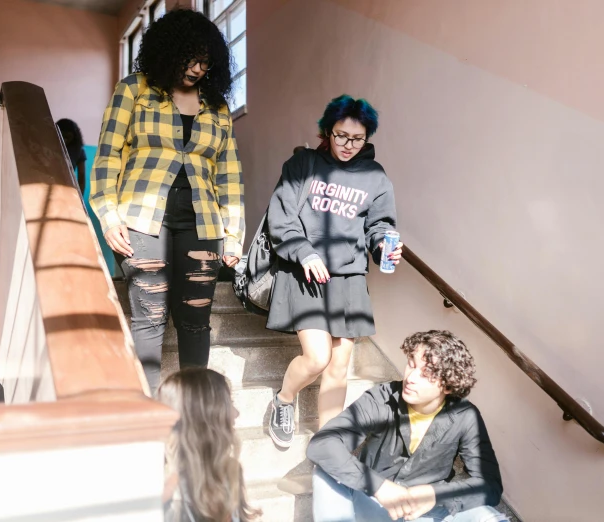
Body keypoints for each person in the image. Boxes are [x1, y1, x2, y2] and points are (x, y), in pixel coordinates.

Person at [90, 9, 244, 393]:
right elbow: (108, 154)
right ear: (169, 51)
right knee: (150, 318)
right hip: (143, 220)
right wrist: (108, 216)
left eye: (205, 61)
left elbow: (230, 175)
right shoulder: (135, 89)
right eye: (190, 58)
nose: (197, 68)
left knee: (195, 319)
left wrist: (234, 234)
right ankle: (150, 417)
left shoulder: (218, 108)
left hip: (203, 224)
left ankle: (195, 415)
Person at [265, 95, 403, 447]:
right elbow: (281, 218)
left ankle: (328, 443)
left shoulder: (375, 176)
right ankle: (283, 400)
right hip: (305, 272)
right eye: (341, 135)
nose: (347, 145)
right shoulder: (303, 164)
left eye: (357, 139)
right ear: (328, 131)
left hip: (350, 277)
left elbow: (379, 225)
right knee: (317, 358)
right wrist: (304, 252)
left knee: (339, 366)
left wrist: (385, 243)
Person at [307, 330, 508, 522]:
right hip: (373, 505)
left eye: (426, 373)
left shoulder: (465, 416)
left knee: (486, 516)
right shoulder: (382, 398)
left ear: (447, 385)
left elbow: (489, 485)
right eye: (411, 365)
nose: (410, 378)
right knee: (325, 471)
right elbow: (322, 444)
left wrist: (434, 495)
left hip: (426, 513)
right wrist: (379, 486)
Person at [157, 368, 260, 522]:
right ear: (204, 419)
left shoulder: (229, 472)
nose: (236, 413)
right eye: (227, 405)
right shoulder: (169, 502)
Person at [56, 118, 87, 195]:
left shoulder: (79, 151)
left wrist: (80, 198)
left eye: (67, 136)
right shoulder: (49, 147)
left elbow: (81, 178)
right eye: (62, 135)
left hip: (66, 190)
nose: (64, 139)